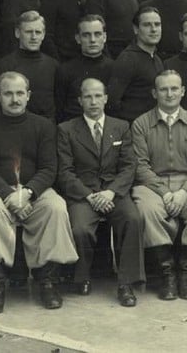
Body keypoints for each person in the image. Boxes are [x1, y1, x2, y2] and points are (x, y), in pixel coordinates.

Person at [0, 71, 78, 312]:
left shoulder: (43, 126)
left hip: (32, 190)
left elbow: (50, 168)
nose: (15, 99)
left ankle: (47, 280)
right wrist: (8, 195)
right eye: (8, 93)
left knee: (55, 208)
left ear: (28, 96)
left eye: (20, 93)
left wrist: (27, 193)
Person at [57, 78, 143, 307]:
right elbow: (65, 172)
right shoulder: (66, 130)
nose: (93, 101)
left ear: (106, 98)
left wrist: (111, 192)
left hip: (114, 192)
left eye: (98, 96)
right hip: (84, 194)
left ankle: (126, 283)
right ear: (80, 101)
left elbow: (129, 166)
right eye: (88, 96)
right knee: (80, 228)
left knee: (132, 219)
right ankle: (82, 276)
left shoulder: (121, 126)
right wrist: (89, 196)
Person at [131, 70, 187, 300]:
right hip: (152, 185)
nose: (169, 94)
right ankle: (166, 273)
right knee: (146, 208)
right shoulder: (140, 124)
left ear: (183, 92)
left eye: (174, 89)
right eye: (163, 89)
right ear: (154, 93)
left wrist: (184, 193)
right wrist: (166, 192)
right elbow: (141, 166)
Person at [0, 10, 58, 122]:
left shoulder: (53, 65)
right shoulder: (5, 65)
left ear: (43, 35)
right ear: (17, 33)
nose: (33, 37)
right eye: (28, 32)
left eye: (37, 32)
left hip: (47, 128)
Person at [107, 7, 165, 122]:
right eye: (147, 25)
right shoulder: (128, 59)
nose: (153, 29)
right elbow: (111, 102)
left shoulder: (157, 59)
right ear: (136, 29)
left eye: (157, 24)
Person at [54, 14, 114, 123]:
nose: (92, 40)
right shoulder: (65, 70)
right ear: (78, 38)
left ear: (104, 37)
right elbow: (60, 109)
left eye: (97, 34)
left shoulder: (114, 69)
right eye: (86, 35)